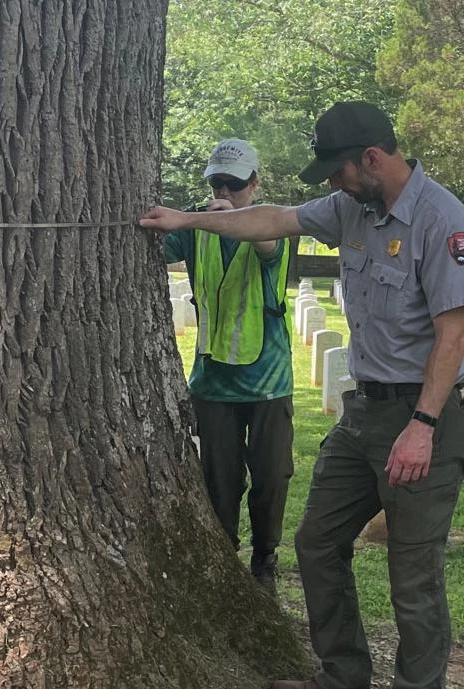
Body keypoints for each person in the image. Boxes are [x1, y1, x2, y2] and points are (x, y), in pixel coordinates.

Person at [141, 101, 464, 689]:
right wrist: (187, 222)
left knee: (412, 573)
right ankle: (343, 676)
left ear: (370, 158)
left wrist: (423, 424)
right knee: (317, 543)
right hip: (362, 409)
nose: (333, 185)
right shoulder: (351, 208)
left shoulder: (441, 219)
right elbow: (270, 220)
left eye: (337, 171)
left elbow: (455, 334)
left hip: (421, 416)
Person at [163, 138, 293, 596]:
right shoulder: (194, 227)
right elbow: (156, 246)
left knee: (272, 478)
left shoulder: (268, 223)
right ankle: (225, 561)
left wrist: (215, 218)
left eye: (235, 185)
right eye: (217, 182)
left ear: (254, 184)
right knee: (220, 480)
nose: (225, 191)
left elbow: (266, 243)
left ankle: (265, 562)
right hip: (213, 379)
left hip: (267, 380)